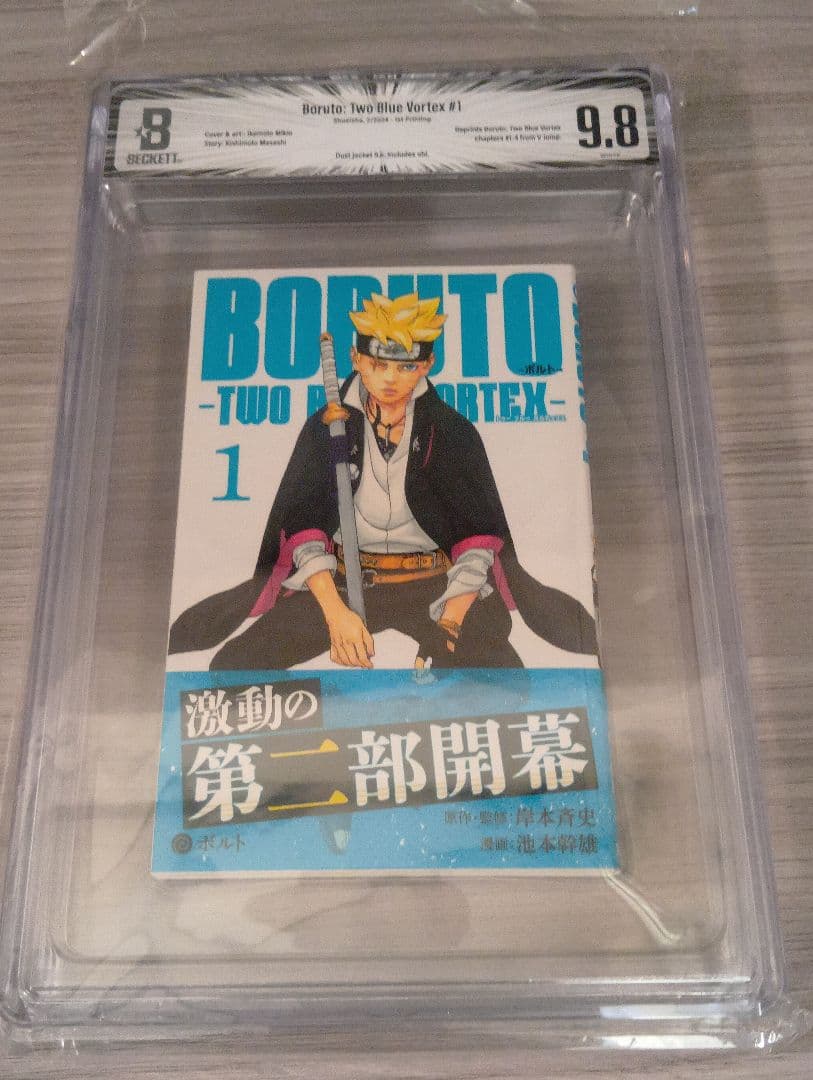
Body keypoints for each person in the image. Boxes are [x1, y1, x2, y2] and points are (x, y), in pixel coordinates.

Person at [169, 291, 597, 670]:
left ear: (426, 365)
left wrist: (449, 624)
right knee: (234, 667)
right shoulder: (326, 428)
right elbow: (303, 530)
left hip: (436, 585)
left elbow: (477, 540)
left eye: (406, 366)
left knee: (507, 680)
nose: (390, 379)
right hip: (341, 582)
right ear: (357, 361)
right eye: (377, 364)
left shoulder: (451, 432)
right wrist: (336, 615)